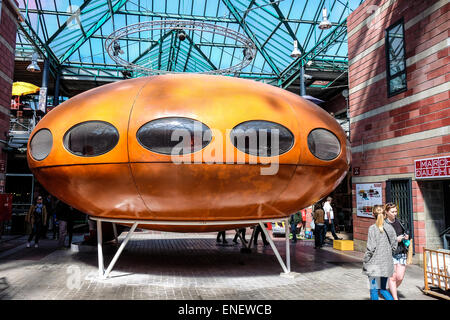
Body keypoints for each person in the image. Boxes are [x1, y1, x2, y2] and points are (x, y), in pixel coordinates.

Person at [362, 205, 397, 300]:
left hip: (374, 264)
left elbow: (370, 248)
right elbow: (394, 246)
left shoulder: (372, 228)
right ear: (385, 214)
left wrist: (365, 260)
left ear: (373, 215)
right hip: (386, 263)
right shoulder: (390, 228)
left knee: (374, 290)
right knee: (382, 289)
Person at [385, 202, 410, 300]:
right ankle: (395, 298)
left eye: (396, 211)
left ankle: (390, 290)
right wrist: (395, 239)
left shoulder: (400, 222)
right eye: (392, 212)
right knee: (392, 277)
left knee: (400, 277)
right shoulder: (384, 224)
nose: (395, 213)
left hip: (401, 252)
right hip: (390, 253)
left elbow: (406, 233)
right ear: (386, 212)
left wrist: (406, 237)